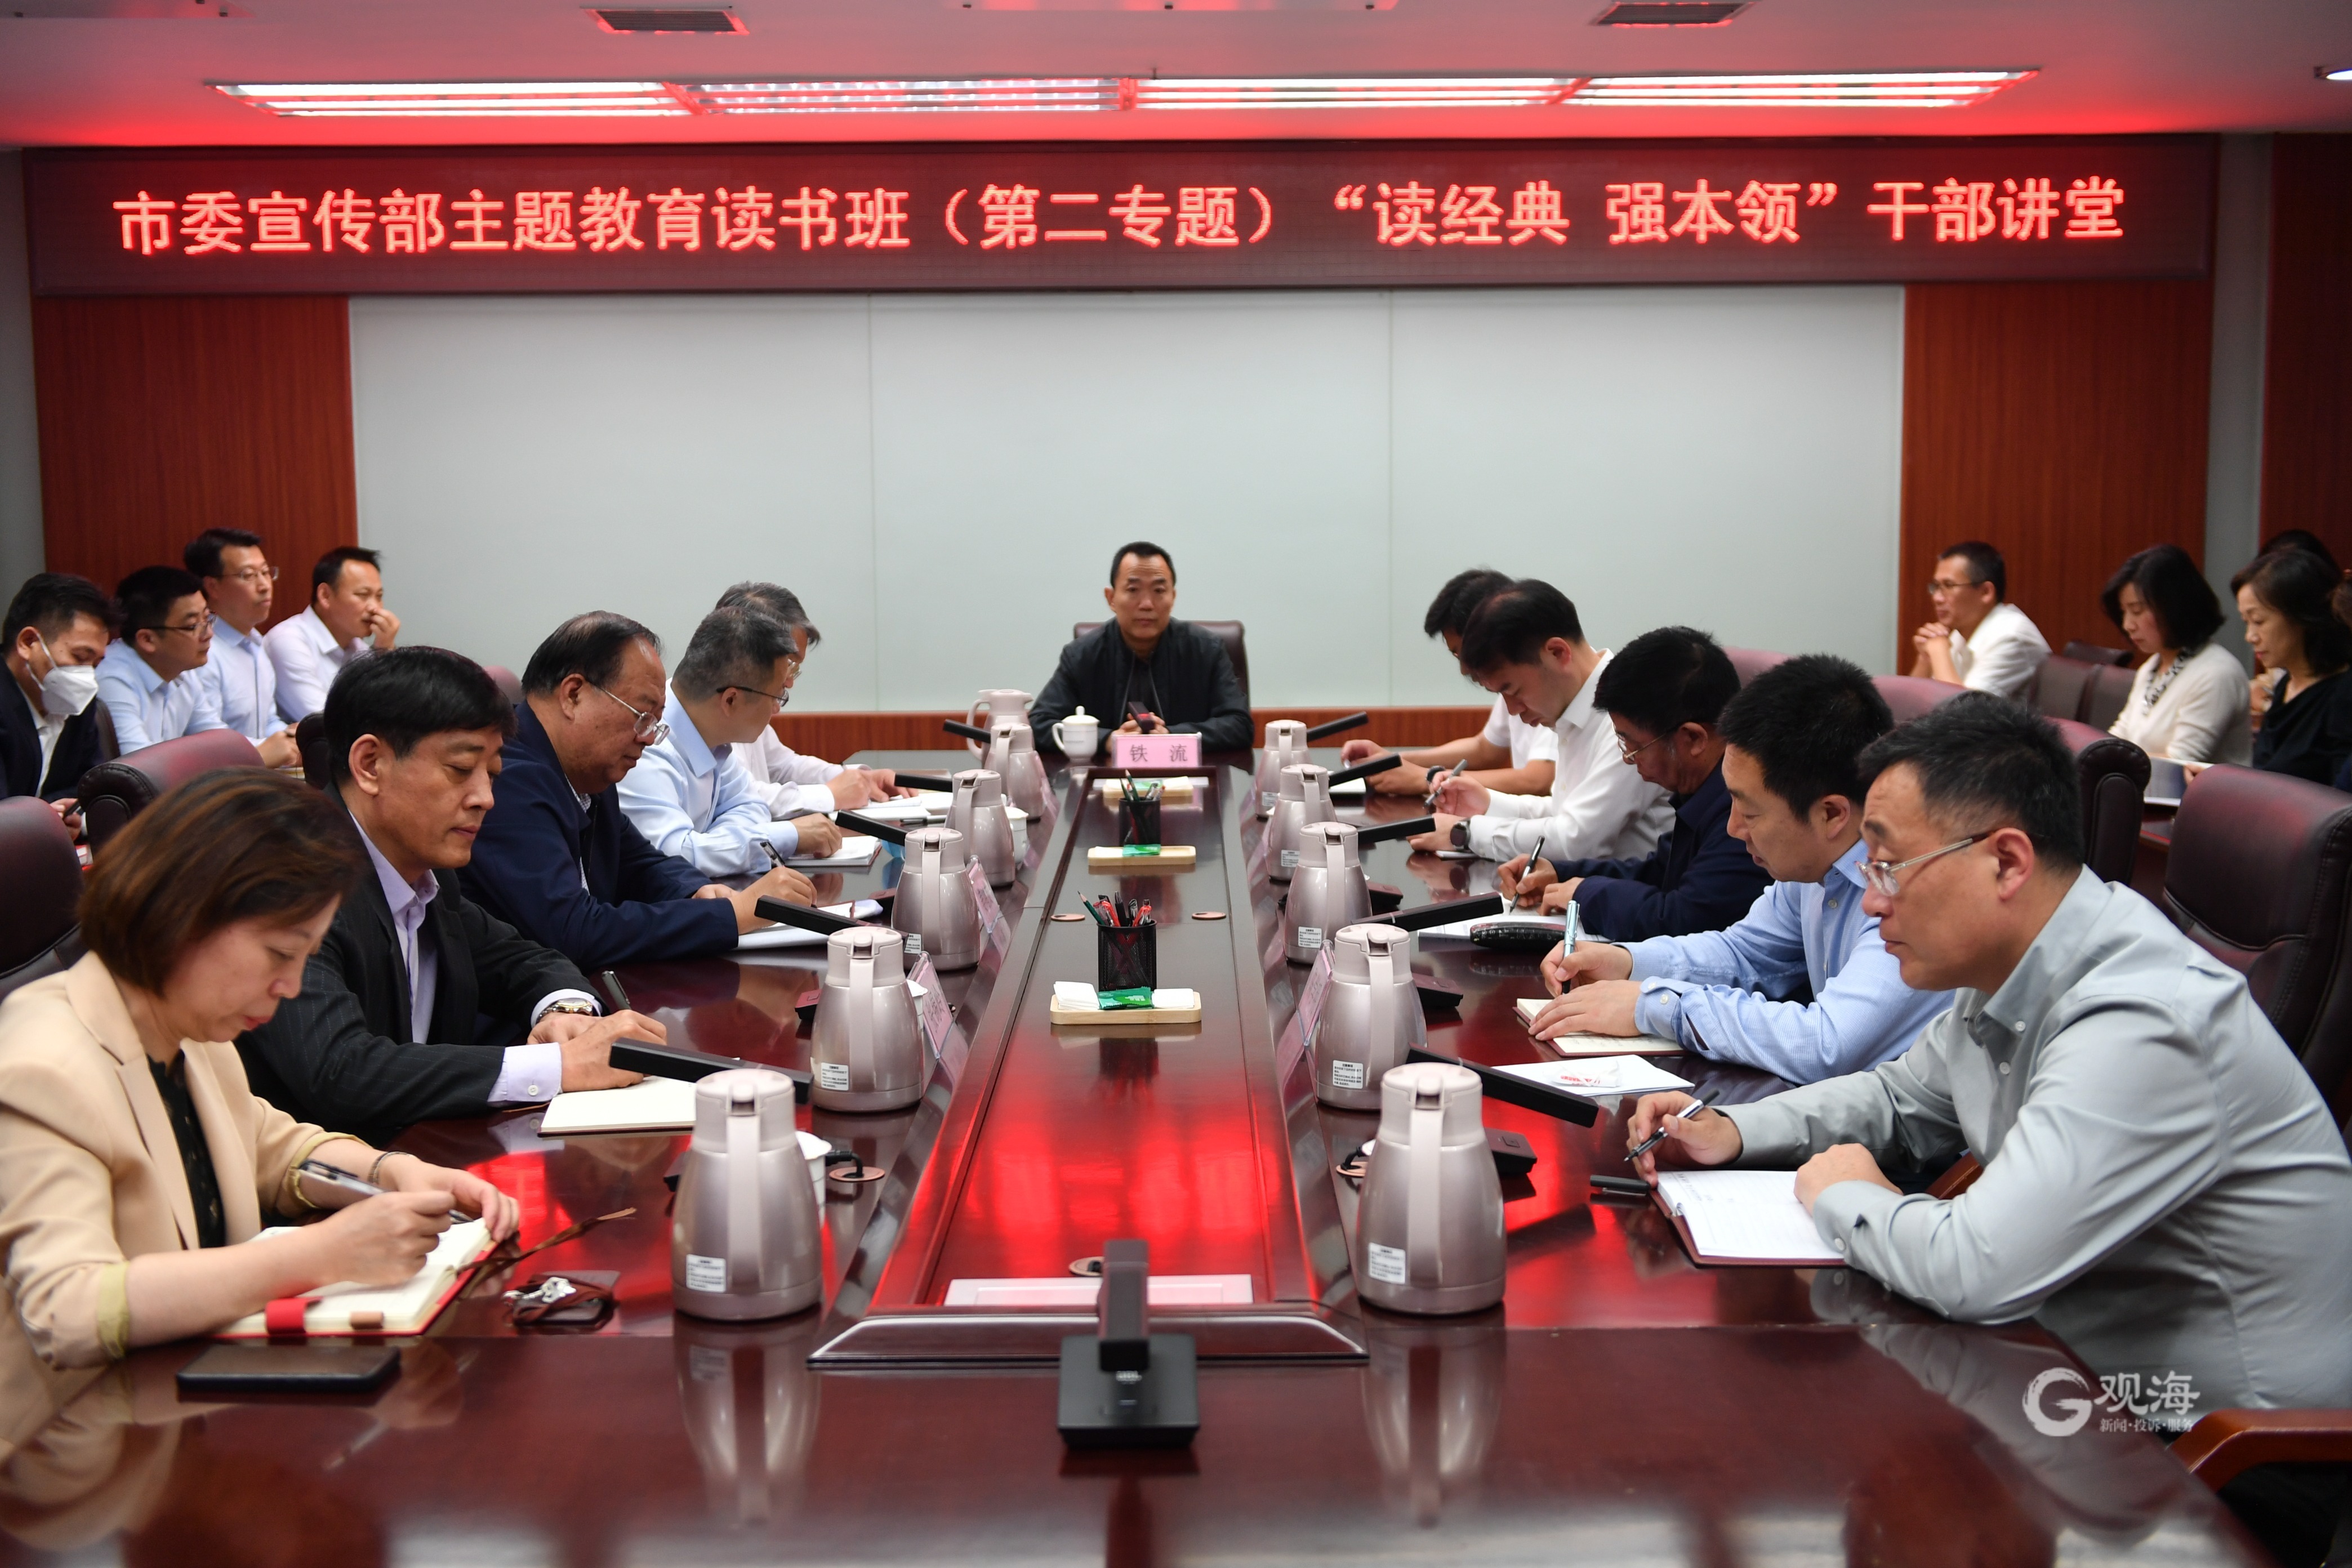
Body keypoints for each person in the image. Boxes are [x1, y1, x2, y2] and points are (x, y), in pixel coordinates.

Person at [1623, 696, 2352, 1563]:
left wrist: (1844, 1194)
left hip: (2212, 1453)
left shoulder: (2141, 1019)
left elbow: (1977, 1269)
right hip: (2070, 1380)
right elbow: (1901, 1098)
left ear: (2006, 860)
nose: (1872, 903)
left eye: (1889, 867)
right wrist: (1732, 1131)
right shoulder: (2021, 960)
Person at [0, 769, 519, 1444]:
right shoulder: (42, 1067)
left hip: (201, 1410)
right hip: (81, 1455)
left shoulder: (185, 1020)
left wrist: (388, 1172)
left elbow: (272, 1148)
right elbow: (67, 1308)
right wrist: (322, 1254)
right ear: (182, 915)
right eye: (280, 953)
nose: (291, 986)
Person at [240, 648, 665, 1145]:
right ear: (370, 764)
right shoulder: (291, 883)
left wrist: (566, 1012)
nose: (486, 797)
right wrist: (557, 1066)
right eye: (461, 770)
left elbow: (521, 960)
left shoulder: (426, 872)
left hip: (427, 1155)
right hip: (326, 1174)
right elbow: (342, 1070)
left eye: (493, 774)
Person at [1527, 654, 1950, 1084]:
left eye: (1750, 812)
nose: (1733, 828)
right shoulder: (1812, 864)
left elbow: (1828, 1044)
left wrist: (1655, 1005)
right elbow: (1745, 953)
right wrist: (1627, 961)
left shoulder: (1906, 885)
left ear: (1831, 815)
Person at [461, 612, 816, 969]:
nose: (648, 739)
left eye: (656, 723)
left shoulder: (587, 771)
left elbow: (638, 862)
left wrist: (697, 891)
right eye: (642, 715)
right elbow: (573, 932)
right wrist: (731, 916)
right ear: (573, 695)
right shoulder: (507, 778)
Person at [1494, 627, 1770, 941]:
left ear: (1694, 738)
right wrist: (1562, 874)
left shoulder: (1746, 808)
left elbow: (1683, 920)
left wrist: (1586, 893)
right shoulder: (1703, 790)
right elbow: (1661, 873)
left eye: (1634, 745)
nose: (1628, 759)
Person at [1415, 579, 1671, 863]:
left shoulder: (1629, 713)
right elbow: (1565, 813)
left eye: (1513, 691)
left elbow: (1577, 841)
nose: (1512, 710)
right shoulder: (1576, 707)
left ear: (1557, 653)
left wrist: (1465, 833)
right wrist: (1487, 802)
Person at [617, 605, 845, 876]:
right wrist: (787, 836)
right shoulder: (647, 743)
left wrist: (714, 845)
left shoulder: (712, 736)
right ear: (731, 700)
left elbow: (751, 807)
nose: (777, 710)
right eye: (777, 696)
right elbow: (673, 856)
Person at [1338, 568, 1557, 800]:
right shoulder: (1513, 685)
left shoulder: (1549, 683)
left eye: (1464, 653)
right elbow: (1485, 748)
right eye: (1457, 656)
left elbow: (1539, 780)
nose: (1465, 669)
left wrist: (1427, 778)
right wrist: (1395, 761)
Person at [1030, 542, 1250, 752]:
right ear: (1111, 598)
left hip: (1191, 775)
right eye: (1133, 590)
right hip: (1107, 775)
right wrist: (1107, 740)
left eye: (1159, 591)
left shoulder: (1206, 650)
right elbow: (1039, 724)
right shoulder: (1082, 654)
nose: (1146, 604)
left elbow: (1239, 725)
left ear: (1173, 597)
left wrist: (1172, 736)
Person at [712, 582, 907, 813]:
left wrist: (859, 779)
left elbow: (784, 766)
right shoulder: (709, 713)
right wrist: (829, 795)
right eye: (790, 664)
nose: (790, 682)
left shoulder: (751, 705)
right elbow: (739, 798)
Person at [2099, 544, 2251, 766]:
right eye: (2124, 612)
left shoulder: (2216, 674)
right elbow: (2120, 736)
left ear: (2174, 606)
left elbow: (2179, 764)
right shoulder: (2152, 666)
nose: (2127, 625)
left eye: (2137, 611)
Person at [2233, 549, 2352, 786]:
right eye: (2247, 622)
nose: (2250, 636)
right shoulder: (2287, 683)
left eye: (2258, 621)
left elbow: (2341, 800)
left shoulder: (2343, 694)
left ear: (2300, 616)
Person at [184, 528, 299, 770]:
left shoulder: (256, 643)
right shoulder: (202, 653)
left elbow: (267, 720)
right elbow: (208, 738)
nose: (265, 585)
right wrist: (274, 748)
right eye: (248, 575)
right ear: (212, 586)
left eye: (266, 573)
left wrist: (290, 738)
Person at [1, 574, 113, 819]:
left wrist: (67, 817)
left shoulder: (77, 699)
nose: (87, 676)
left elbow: (93, 788)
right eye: (80, 657)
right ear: (28, 642)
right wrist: (43, 819)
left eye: (95, 664)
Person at [93, 567, 226, 751]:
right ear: (147, 640)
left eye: (207, 618)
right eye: (192, 626)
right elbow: (138, 764)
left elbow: (221, 740)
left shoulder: (181, 671)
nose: (209, 634)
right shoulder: (113, 682)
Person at [265, 545, 399, 723]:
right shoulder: (288, 641)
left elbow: (394, 709)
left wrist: (384, 652)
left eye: (379, 596)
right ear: (325, 596)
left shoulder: (358, 647)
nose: (375, 607)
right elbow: (327, 721)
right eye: (363, 595)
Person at [1909, 541, 2049, 698]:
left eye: (1949, 586)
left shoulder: (2011, 636)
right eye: (1936, 586)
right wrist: (1925, 659)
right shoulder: (1961, 631)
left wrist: (1938, 650)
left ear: (1985, 592)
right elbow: (1910, 702)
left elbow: (1963, 710)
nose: (1937, 598)